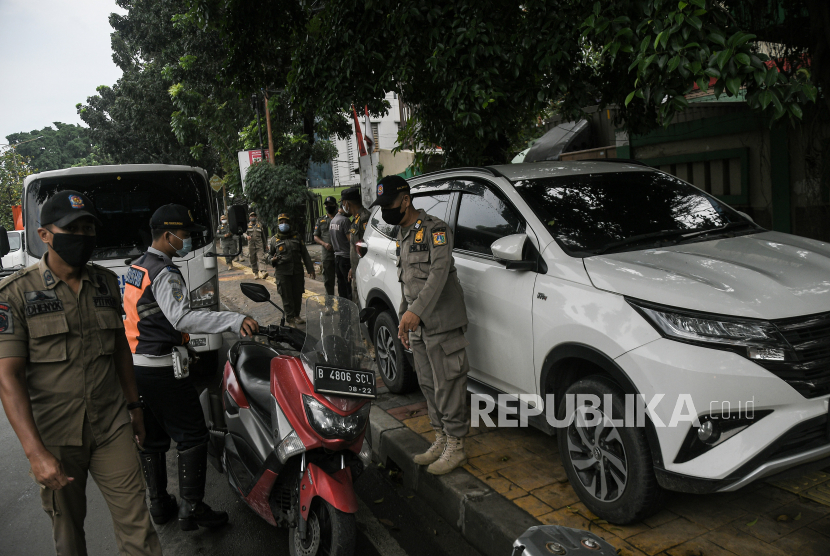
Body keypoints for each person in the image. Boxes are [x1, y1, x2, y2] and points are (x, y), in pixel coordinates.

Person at [0, 191, 162, 556]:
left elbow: (120, 347)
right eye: (74, 227)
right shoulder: (15, 293)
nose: (84, 235)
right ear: (44, 234)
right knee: (69, 535)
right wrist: (34, 453)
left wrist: (134, 407)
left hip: (111, 427)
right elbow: (7, 377)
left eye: (89, 227)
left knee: (140, 528)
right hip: (56, 435)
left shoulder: (105, 282)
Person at [124, 204, 259, 531]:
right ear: (168, 235)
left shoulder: (136, 268)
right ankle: (192, 508)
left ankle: (158, 505)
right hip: (160, 367)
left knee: (153, 438)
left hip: (136, 366)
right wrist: (233, 318)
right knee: (193, 436)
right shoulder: (164, 272)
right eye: (183, 234)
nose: (185, 239)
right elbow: (180, 317)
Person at [370, 175, 470, 475]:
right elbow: (408, 283)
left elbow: (438, 274)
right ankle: (440, 437)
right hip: (418, 326)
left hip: (442, 322)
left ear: (405, 200)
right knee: (428, 384)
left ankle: (456, 445)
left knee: (448, 384)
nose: (386, 211)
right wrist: (404, 318)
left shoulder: (435, 229)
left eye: (389, 205)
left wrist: (415, 313)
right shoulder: (402, 234)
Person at [269, 213, 315, 325]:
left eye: (285, 222)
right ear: (278, 224)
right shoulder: (274, 240)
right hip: (282, 273)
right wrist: (272, 260)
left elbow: (305, 254)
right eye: (281, 222)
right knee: (286, 296)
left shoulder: (297, 237)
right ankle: (290, 319)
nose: (283, 224)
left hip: (297, 271)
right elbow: (269, 255)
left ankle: (297, 315)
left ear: (289, 223)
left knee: (298, 294)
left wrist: (310, 269)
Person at [341, 187, 371, 303]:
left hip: (363, 272)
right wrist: (352, 268)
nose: (343, 207)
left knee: (361, 303)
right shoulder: (356, 220)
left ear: (347, 203)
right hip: (356, 269)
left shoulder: (364, 219)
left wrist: (358, 269)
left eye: (343, 203)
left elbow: (365, 248)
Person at [312, 196, 338, 295]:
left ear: (335, 205)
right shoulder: (321, 220)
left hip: (340, 254)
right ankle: (329, 304)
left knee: (342, 280)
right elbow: (315, 236)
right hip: (327, 255)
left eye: (330, 204)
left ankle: (343, 303)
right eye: (326, 205)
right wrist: (324, 244)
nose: (328, 206)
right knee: (328, 280)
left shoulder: (340, 218)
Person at [329, 205, 351, 300]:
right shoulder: (344, 221)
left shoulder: (333, 221)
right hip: (346, 258)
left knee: (341, 287)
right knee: (349, 287)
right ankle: (351, 312)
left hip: (337, 257)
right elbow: (351, 239)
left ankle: (344, 311)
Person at [244, 210, 269, 280]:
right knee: (253, 259)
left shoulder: (259, 225)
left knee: (261, 258)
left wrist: (266, 245)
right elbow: (244, 233)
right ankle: (256, 273)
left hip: (259, 245)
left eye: (254, 216)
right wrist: (247, 236)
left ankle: (263, 271)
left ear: (256, 217)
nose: (253, 217)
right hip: (251, 245)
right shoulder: (247, 226)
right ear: (249, 218)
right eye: (251, 216)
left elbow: (263, 236)